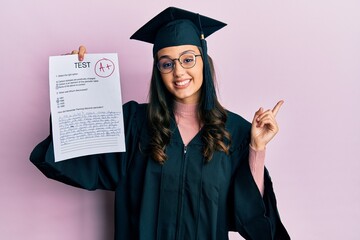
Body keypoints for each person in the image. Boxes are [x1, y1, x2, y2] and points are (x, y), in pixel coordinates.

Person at [30, 6, 290, 240]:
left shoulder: (234, 132)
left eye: (188, 59)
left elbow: (252, 220)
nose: (178, 71)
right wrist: (72, 85)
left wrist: (256, 150)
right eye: (167, 63)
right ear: (158, 71)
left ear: (204, 61)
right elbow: (75, 155)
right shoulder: (133, 124)